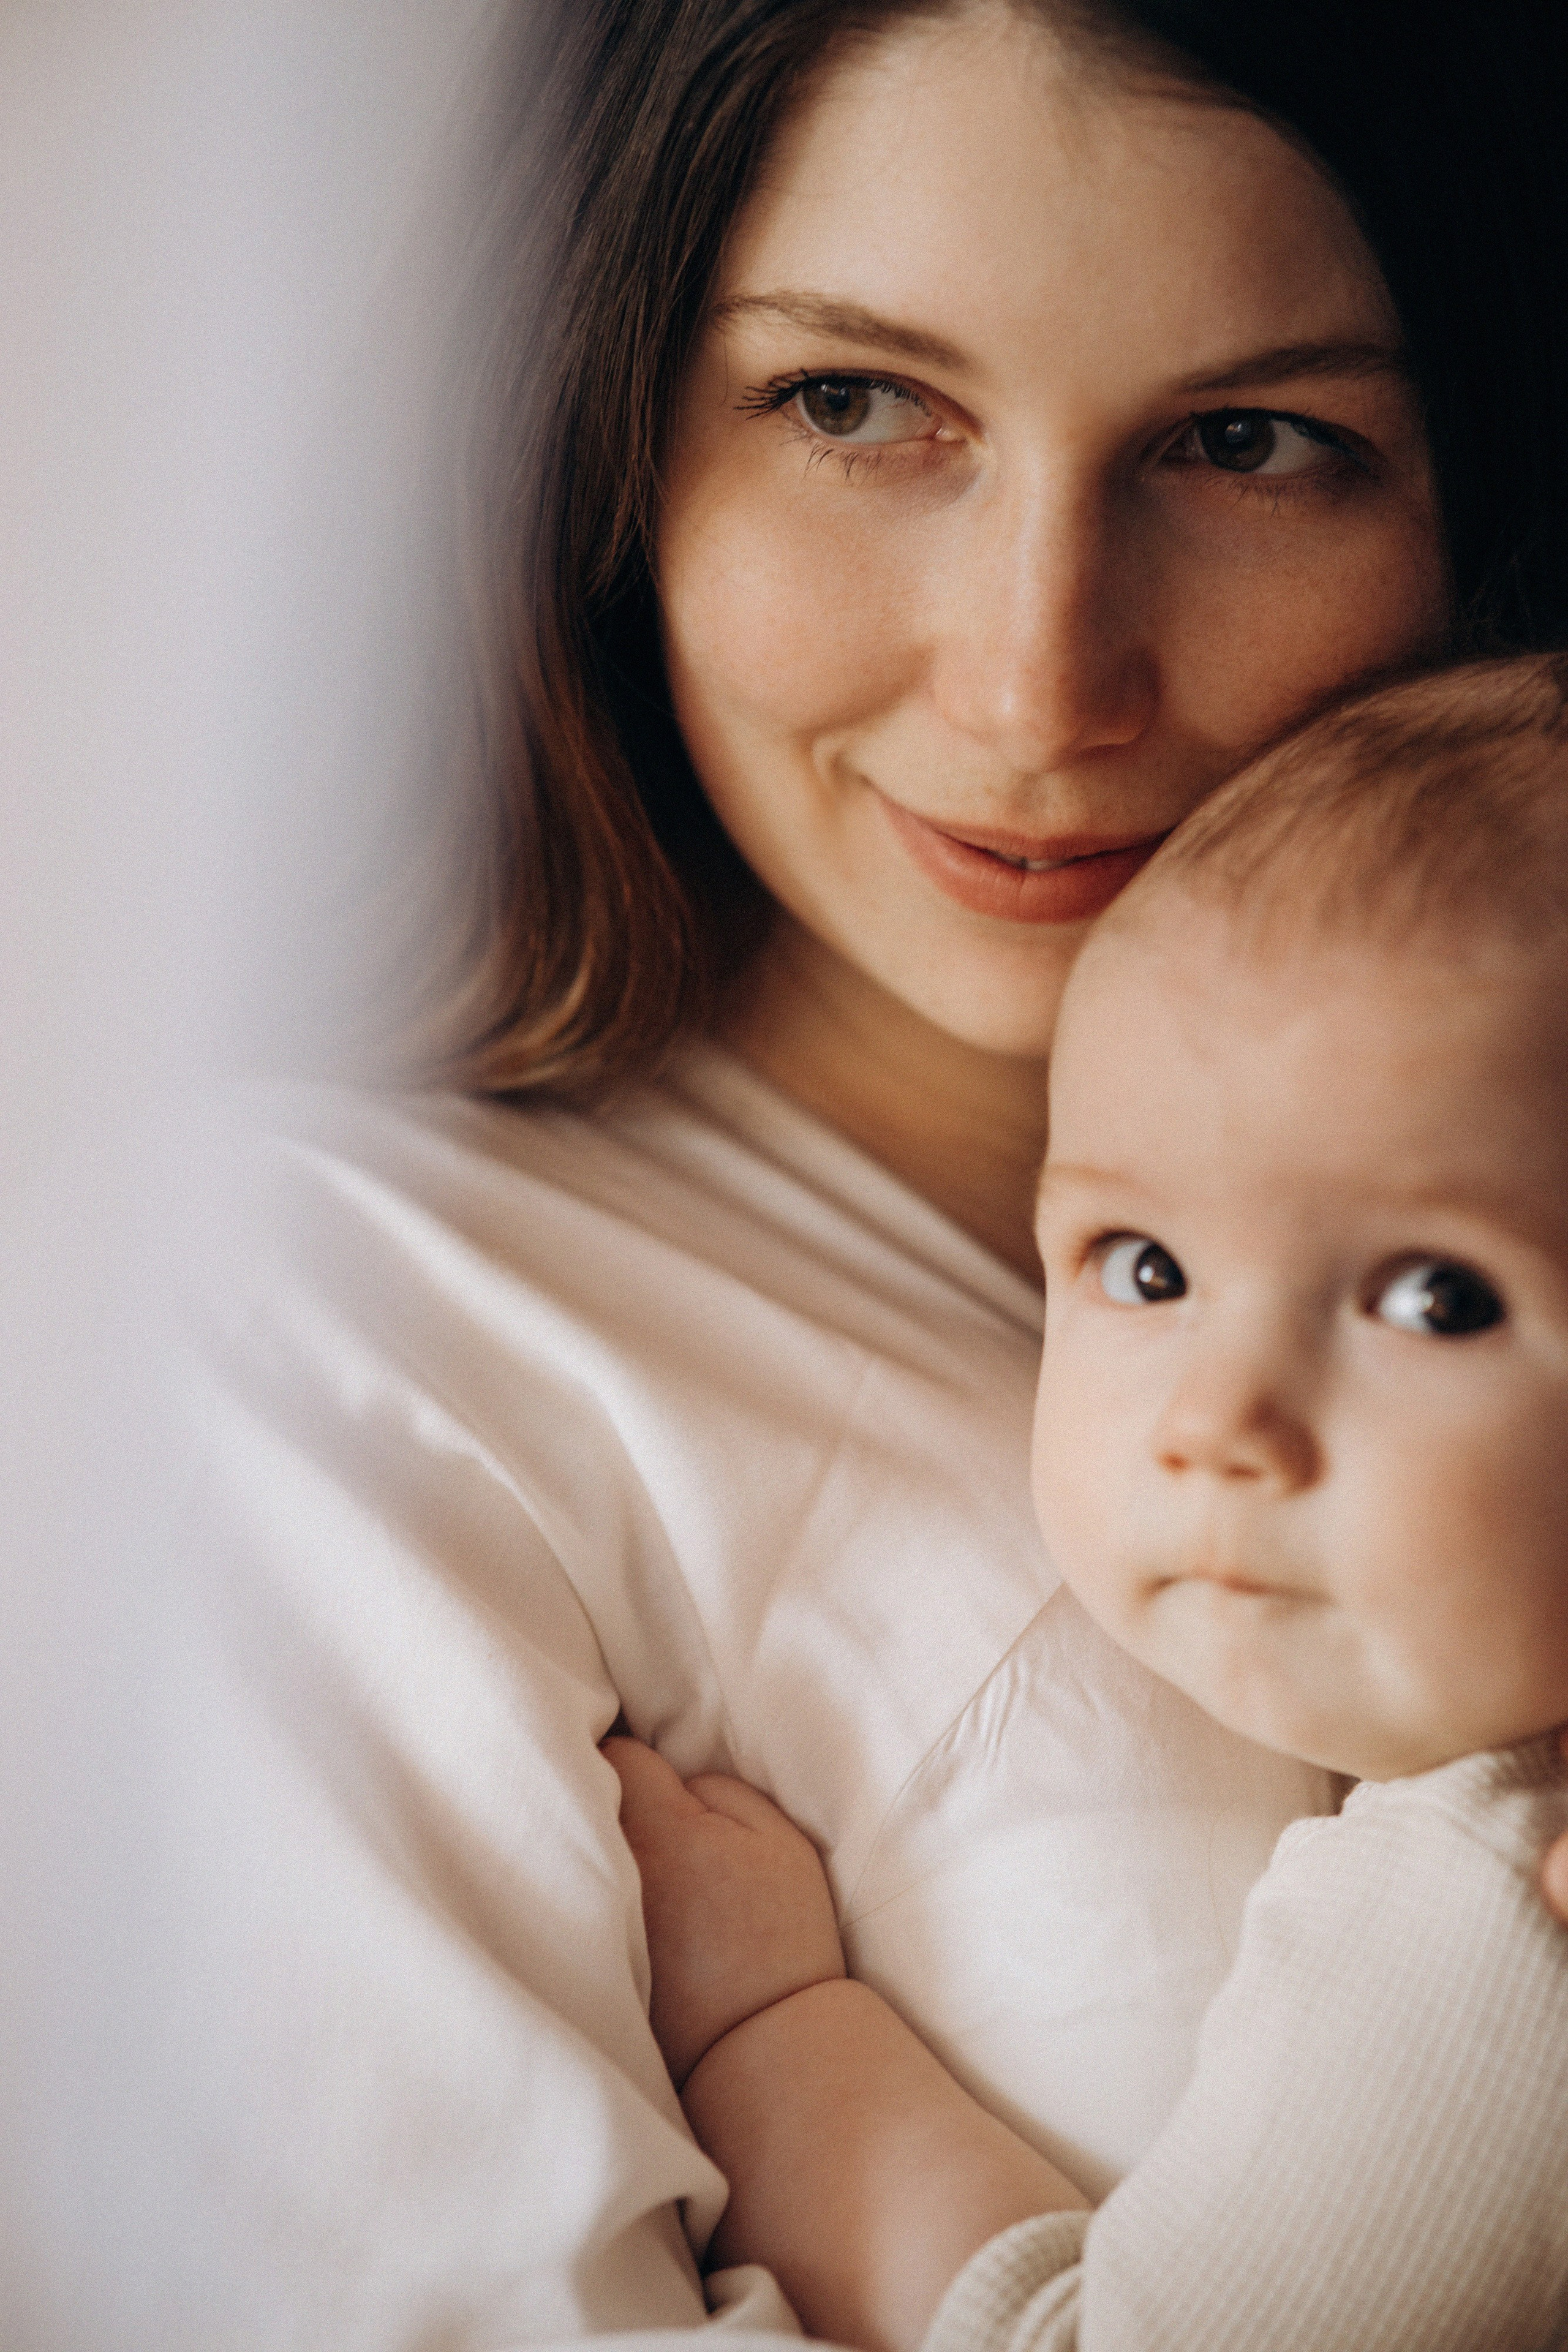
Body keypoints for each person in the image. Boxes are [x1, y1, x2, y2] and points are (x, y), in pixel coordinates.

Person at [140, 2, 1568, 2346]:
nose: (1036, 683)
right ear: (606, 443)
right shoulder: (308, 1327)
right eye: (853, 405)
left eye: (1250, 441)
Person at [608, 653, 1568, 2352]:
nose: (1218, 1426)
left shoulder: (1504, 1920)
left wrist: (773, 2019)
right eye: (1145, 1267)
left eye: (1437, 1299)